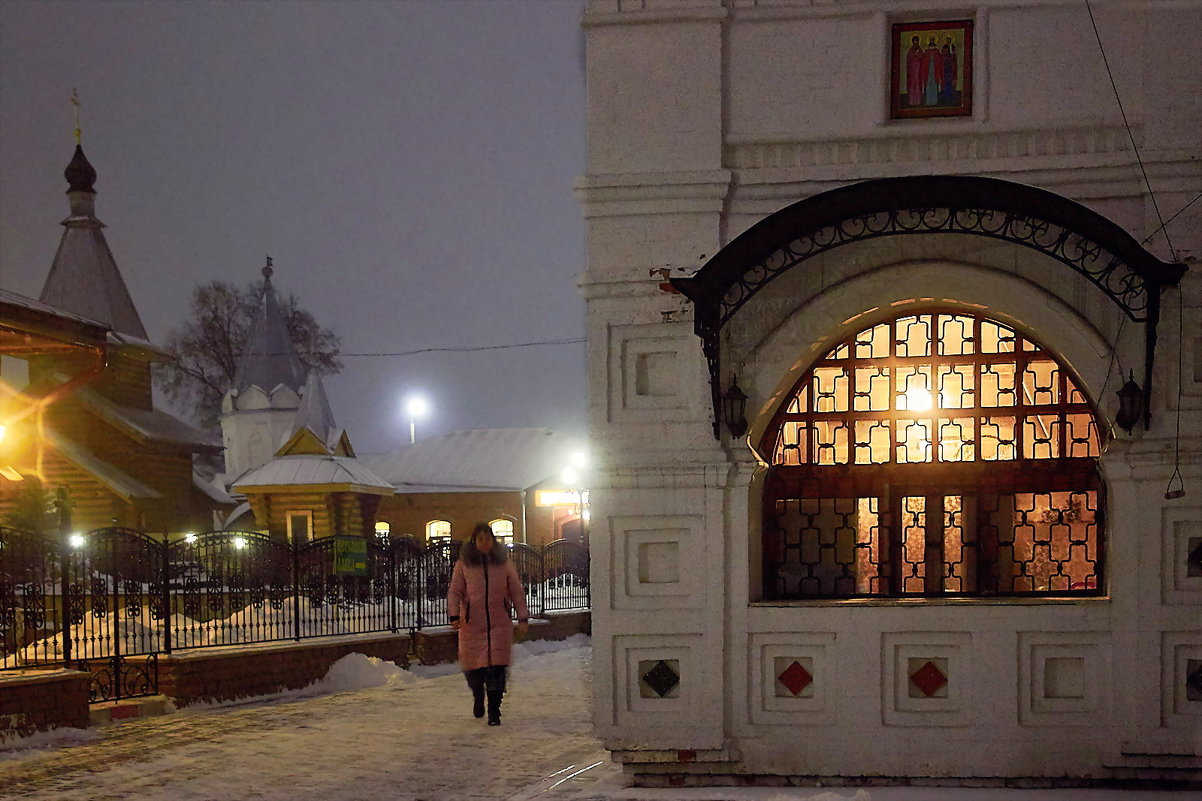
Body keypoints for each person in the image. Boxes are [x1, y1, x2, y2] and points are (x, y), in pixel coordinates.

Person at [447, 522, 529, 726]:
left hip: (499, 623)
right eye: (480, 539)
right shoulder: (464, 565)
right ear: (474, 542)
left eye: (488, 538)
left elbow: (516, 591)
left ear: (493, 541)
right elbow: (455, 591)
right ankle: (477, 696)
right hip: (472, 625)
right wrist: (454, 615)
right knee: (474, 669)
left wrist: (523, 617)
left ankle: (494, 711)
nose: (485, 543)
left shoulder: (504, 564)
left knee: (497, 668)